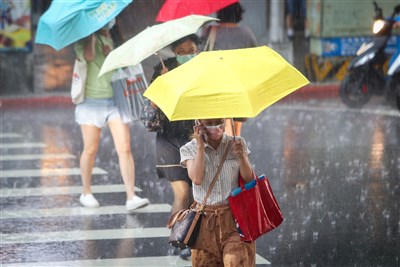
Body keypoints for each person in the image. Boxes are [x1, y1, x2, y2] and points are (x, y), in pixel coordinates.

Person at [74, 19, 149, 211]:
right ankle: (86, 192)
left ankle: (131, 196)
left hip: (116, 100)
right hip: (91, 102)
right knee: (90, 148)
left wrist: (115, 56)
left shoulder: (116, 39)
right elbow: (89, 57)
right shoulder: (84, 40)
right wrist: (90, 31)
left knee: (124, 147)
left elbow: (128, 66)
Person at [149, 34, 201, 260]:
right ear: (174, 52)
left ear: (197, 49)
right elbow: (151, 108)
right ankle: (179, 238)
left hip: (195, 137)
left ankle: (193, 237)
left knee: (197, 193)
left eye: (190, 50)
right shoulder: (164, 69)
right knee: (182, 192)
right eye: (181, 52)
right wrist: (162, 83)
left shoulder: (204, 69)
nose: (186, 55)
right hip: (169, 138)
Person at [180, 118, 256, 266]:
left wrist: (242, 156)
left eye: (219, 121)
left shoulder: (236, 143)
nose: (216, 127)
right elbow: (196, 178)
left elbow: (249, 180)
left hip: (233, 218)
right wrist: (201, 147)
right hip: (204, 220)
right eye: (209, 123)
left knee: (236, 261)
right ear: (199, 124)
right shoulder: (189, 148)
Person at [201, 2, 257, 136]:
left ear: (219, 13)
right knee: (236, 127)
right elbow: (253, 62)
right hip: (238, 87)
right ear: (239, 13)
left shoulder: (210, 31)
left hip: (216, 87)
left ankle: (227, 151)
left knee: (221, 126)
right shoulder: (247, 34)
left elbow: (200, 57)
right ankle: (235, 150)